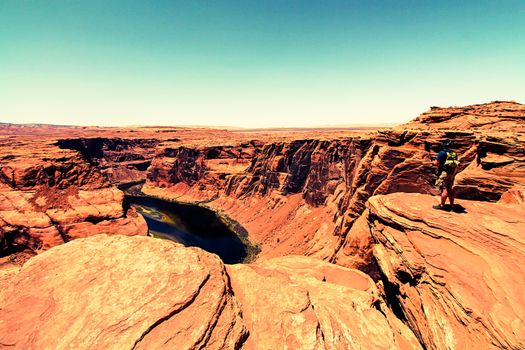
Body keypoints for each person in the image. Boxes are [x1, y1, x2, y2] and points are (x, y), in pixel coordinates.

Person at [433, 140, 459, 210]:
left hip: (444, 173)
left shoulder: (442, 153)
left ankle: (442, 205)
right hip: (451, 173)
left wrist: (438, 164)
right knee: (450, 189)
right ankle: (452, 205)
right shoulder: (454, 153)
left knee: (444, 189)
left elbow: (435, 163)